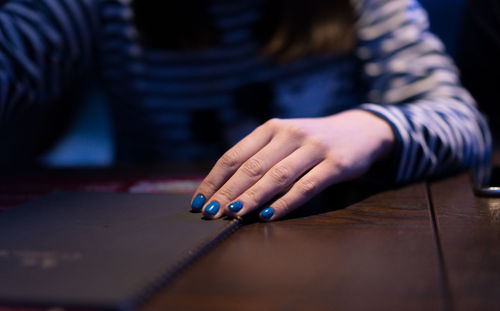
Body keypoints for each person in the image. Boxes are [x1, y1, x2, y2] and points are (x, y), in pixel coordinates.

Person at [0, 0, 491, 221]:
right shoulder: (102, 7)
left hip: (320, 232)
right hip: (157, 234)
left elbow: (465, 122)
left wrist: (371, 127)